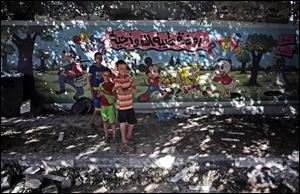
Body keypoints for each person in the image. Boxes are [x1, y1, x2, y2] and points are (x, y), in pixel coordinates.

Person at [113, 60, 137, 146]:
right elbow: (120, 92)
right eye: (121, 68)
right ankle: (124, 140)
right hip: (122, 106)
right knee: (122, 123)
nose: (123, 69)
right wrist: (129, 90)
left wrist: (126, 90)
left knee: (132, 122)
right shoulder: (116, 79)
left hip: (129, 105)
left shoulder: (129, 78)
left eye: (125, 68)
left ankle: (129, 135)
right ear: (117, 69)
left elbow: (134, 90)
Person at [97, 67, 117, 143]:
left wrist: (104, 93)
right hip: (103, 106)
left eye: (108, 75)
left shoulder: (112, 85)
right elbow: (98, 95)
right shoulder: (100, 85)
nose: (106, 77)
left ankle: (114, 136)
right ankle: (106, 135)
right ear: (102, 75)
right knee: (105, 121)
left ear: (110, 76)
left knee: (112, 122)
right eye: (105, 75)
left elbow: (114, 97)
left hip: (110, 106)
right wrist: (99, 94)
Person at [88, 52, 105, 127]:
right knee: (97, 107)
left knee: (102, 106)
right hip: (95, 90)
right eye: (98, 57)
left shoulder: (103, 68)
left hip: (102, 90)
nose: (99, 59)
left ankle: (102, 122)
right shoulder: (92, 67)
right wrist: (92, 90)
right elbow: (89, 79)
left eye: (101, 58)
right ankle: (91, 122)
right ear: (95, 58)